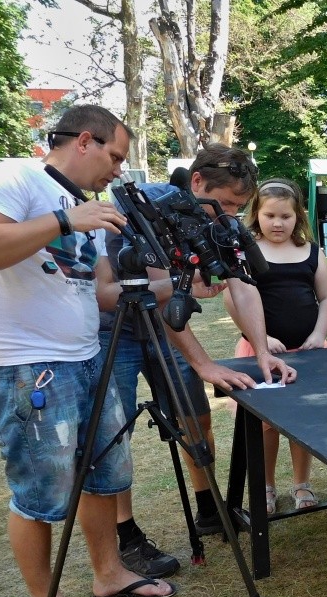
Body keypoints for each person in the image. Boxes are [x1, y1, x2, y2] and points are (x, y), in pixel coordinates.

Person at [0, 104, 175, 597]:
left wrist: (168, 287)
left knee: (104, 474)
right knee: (41, 491)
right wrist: (65, 221)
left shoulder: (87, 208)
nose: (118, 169)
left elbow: (100, 293)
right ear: (84, 141)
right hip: (29, 366)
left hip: (90, 356)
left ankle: (109, 574)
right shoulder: (15, 176)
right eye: (115, 156)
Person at [100, 144, 297, 544]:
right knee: (114, 433)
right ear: (196, 181)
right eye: (226, 203)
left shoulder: (218, 219)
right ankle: (126, 533)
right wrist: (204, 364)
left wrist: (261, 349)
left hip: (166, 328)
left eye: (239, 207)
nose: (231, 214)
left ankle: (209, 509)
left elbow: (242, 283)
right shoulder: (147, 208)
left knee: (195, 418)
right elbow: (159, 296)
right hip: (114, 329)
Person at [224, 178, 327, 513]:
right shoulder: (246, 252)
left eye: (285, 216)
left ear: (298, 216)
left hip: (307, 353)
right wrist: (258, 338)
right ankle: (266, 486)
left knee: (302, 421)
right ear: (256, 214)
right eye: (270, 215)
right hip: (262, 354)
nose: (278, 223)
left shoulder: (312, 252)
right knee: (265, 425)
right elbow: (233, 298)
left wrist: (319, 333)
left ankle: (302, 484)